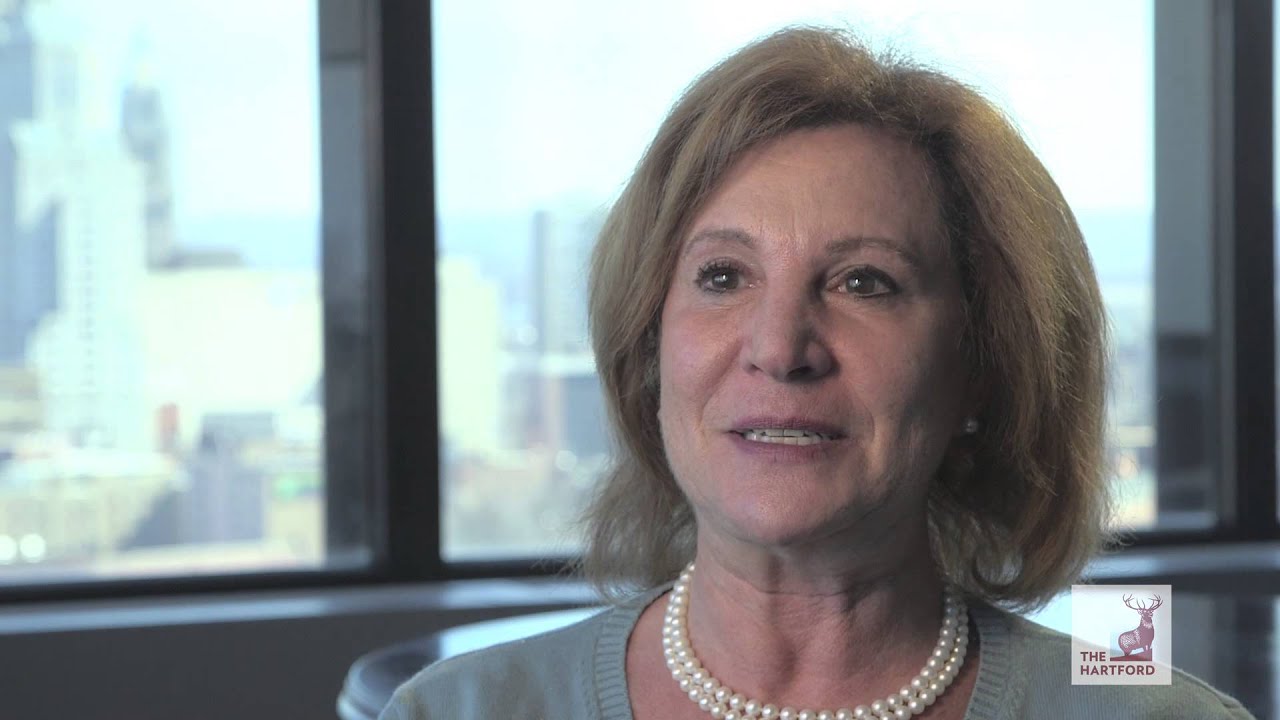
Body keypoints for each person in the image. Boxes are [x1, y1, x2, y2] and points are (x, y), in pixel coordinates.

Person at [381, 26, 1255, 720]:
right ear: (649, 348)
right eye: (723, 276)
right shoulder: (455, 710)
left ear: (983, 366)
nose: (779, 346)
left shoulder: (1149, 714)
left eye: (863, 282)